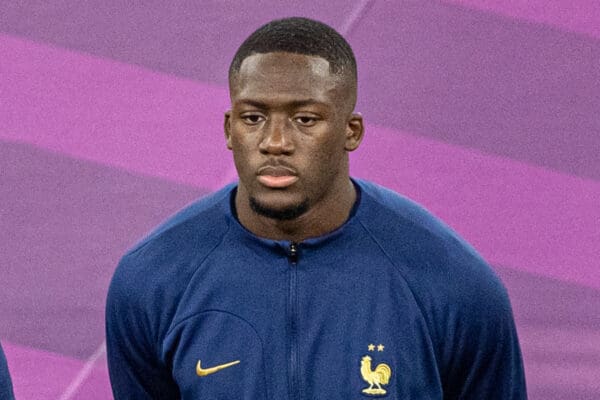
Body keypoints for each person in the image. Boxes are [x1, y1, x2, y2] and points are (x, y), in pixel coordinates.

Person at [106, 17, 527, 399]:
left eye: (305, 119)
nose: (275, 142)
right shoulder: (153, 280)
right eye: (253, 118)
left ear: (351, 131)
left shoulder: (454, 284)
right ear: (228, 129)